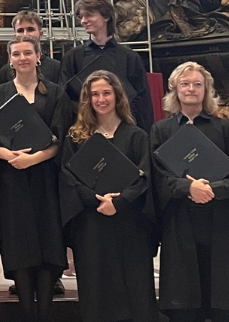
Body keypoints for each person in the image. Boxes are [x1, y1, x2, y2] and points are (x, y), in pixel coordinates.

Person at [152, 62, 229, 322]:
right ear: (174, 90)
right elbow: (156, 174)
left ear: (207, 90)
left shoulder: (226, 129)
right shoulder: (161, 131)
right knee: (185, 299)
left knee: (224, 296)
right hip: (180, 222)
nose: (191, 89)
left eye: (198, 84)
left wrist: (212, 190)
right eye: (185, 84)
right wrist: (188, 187)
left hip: (221, 220)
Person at [0, 36, 71, 322]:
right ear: (9, 59)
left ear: (38, 56)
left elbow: (62, 138)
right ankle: (26, 314)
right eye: (17, 54)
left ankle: (44, 315)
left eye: (27, 53)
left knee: (46, 245)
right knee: (19, 247)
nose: (22, 58)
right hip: (11, 181)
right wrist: (9, 156)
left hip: (45, 178)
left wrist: (33, 159)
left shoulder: (56, 93)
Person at [59, 70, 158, 322]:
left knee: (134, 287)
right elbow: (68, 176)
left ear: (117, 95)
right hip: (91, 224)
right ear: (87, 99)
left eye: (106, 93)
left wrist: (120, 202)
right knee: (95, 287)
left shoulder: (136, 136)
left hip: (129, 223)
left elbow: (144, 176)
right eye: (95, 94)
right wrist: (95, 200)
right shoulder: (76, 137)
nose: (101, 99)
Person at [60, 0, 154, 132]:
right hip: (86, 131)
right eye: (81, 16)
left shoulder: (130, 57)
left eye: (89, 15)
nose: (83, 21)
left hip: (124, 131)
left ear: (106, 16)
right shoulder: (73, 57)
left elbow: (142, 102)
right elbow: (64, 100)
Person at [0, 10, 62, 89]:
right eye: (20, 30)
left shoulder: (56, 68)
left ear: (40, 34)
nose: (25, 34)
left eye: (30, 29)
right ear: (15, 35)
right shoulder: (3, 73)